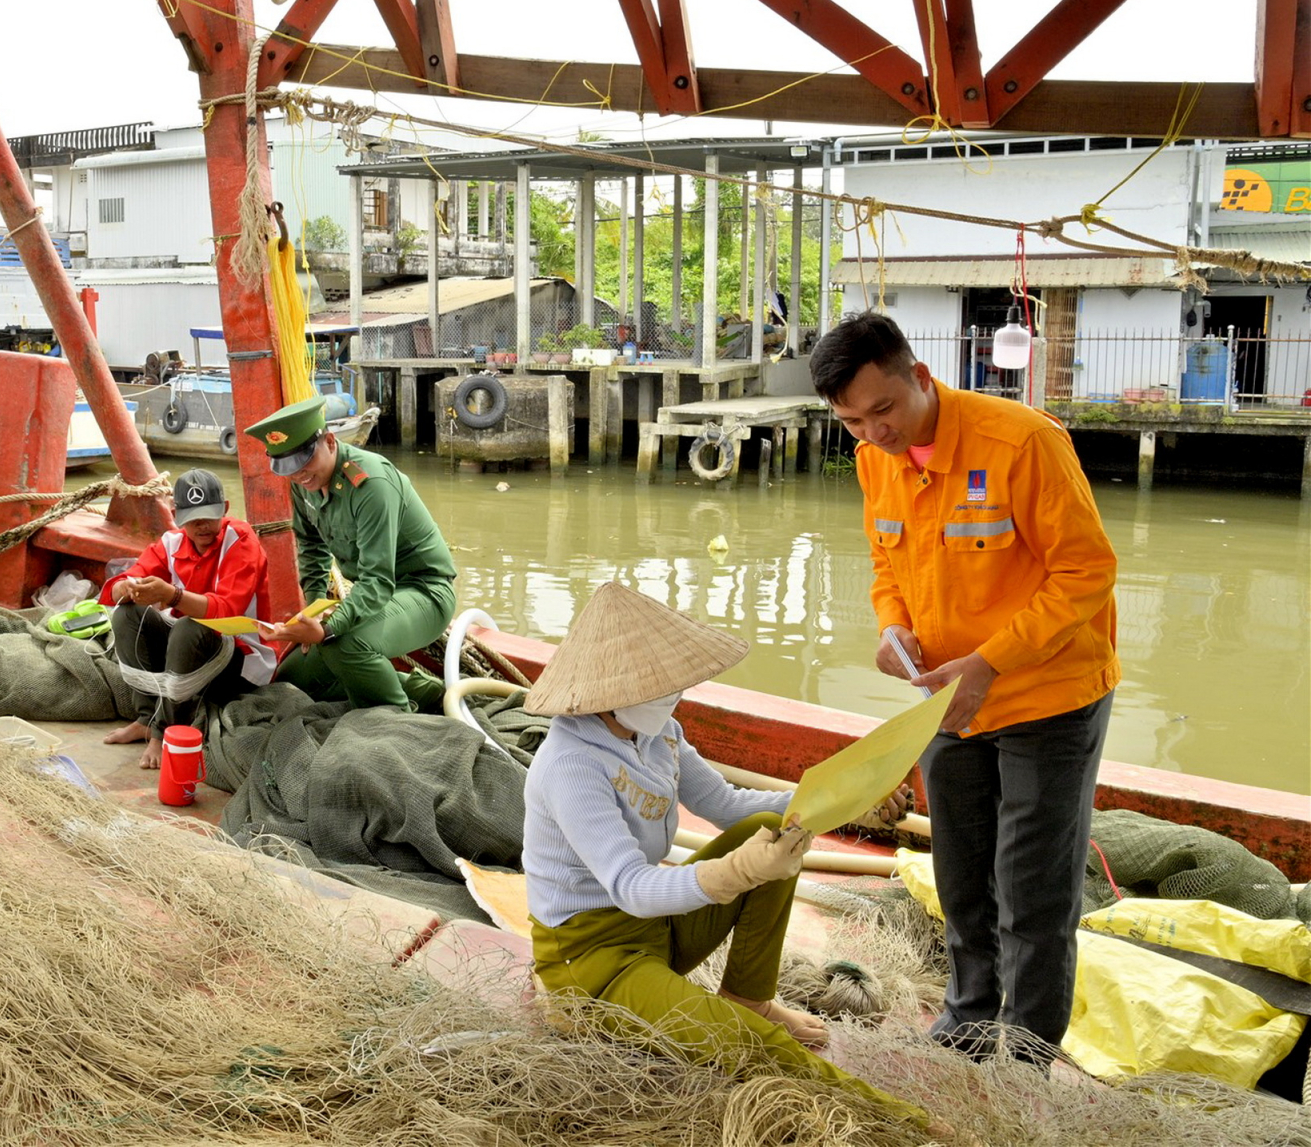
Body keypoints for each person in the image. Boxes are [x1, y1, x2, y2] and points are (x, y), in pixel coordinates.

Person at [810, 311, 1118, 1066]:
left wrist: (989, 662)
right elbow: (889, 568)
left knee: (1033, 886)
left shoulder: (1023, 442)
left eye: (884, 410)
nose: (874, 432)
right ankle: (968, 1016)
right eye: (852, 421)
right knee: (961, 868)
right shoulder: (874, 460)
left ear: (921, 377)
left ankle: (1024, 1052)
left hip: (1048, 693)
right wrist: (891, 630)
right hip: (943, 697)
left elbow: (1088, 570)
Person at [521, 581, 926, 1131]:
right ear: (613, 690)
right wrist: (735, 872)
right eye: (660, 686)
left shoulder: (658, 732)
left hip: (656, 932)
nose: (675, 694)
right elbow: (630, 888)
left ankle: (749, 995)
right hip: (592, 958)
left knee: (766, 827)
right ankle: (892, 1117)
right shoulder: (571, 764)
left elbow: (727, 804)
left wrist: (849, 801)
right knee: (735, 1043)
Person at [243, 397, 455, 711]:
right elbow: (311, 549)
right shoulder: (305, 483)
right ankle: (420, 690)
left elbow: (377, 581)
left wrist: (327, 628)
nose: (299, 475)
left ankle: (398, 719)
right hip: (372, 595)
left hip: (423, 592)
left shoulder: (371, 484)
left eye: (304, 462)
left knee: (343, 644)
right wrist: (312, 612)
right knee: (294, 677)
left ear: (329, 441)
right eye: (289, 468)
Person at [98, 468, 274, 769]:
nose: (202, 525)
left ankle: (164, 730)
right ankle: (145, 716)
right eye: (192, 519)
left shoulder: (242, 541)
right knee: (128, 614)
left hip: (240, 659)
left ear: (226, 510)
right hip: (192, 652)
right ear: (176, 514)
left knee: (190, 627)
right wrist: (124, 588)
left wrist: (172, 596)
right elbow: (130, 577)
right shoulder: (171, 543)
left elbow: (226, 610)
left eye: (209, 515)